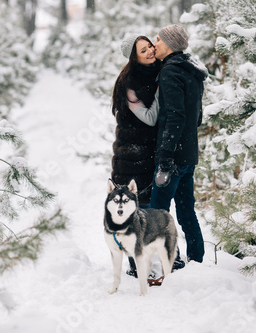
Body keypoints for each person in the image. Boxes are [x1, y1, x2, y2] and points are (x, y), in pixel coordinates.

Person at [149, 24, 208, 265]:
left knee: (158, 213)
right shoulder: (191, 71)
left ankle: (170, 260)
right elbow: (197, 117)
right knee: (185, 210)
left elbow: (175, 116)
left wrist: (165, 156)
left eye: (159, 40)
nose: (155, 44)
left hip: (173, 157)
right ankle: (197, 259)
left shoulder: (170, 72)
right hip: (189, 154)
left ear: (171, 44)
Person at [110, 35, 161, 277]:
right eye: (144, 50)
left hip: (148, 153)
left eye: (150, 45)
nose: (150, 51)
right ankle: (136, 266)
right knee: (137, 209)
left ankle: (152, 261)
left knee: (151, 207)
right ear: (134, 57)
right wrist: (163, 89)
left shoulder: (157, 69)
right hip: (132, 156)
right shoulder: (130, 82)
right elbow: (148, 117)